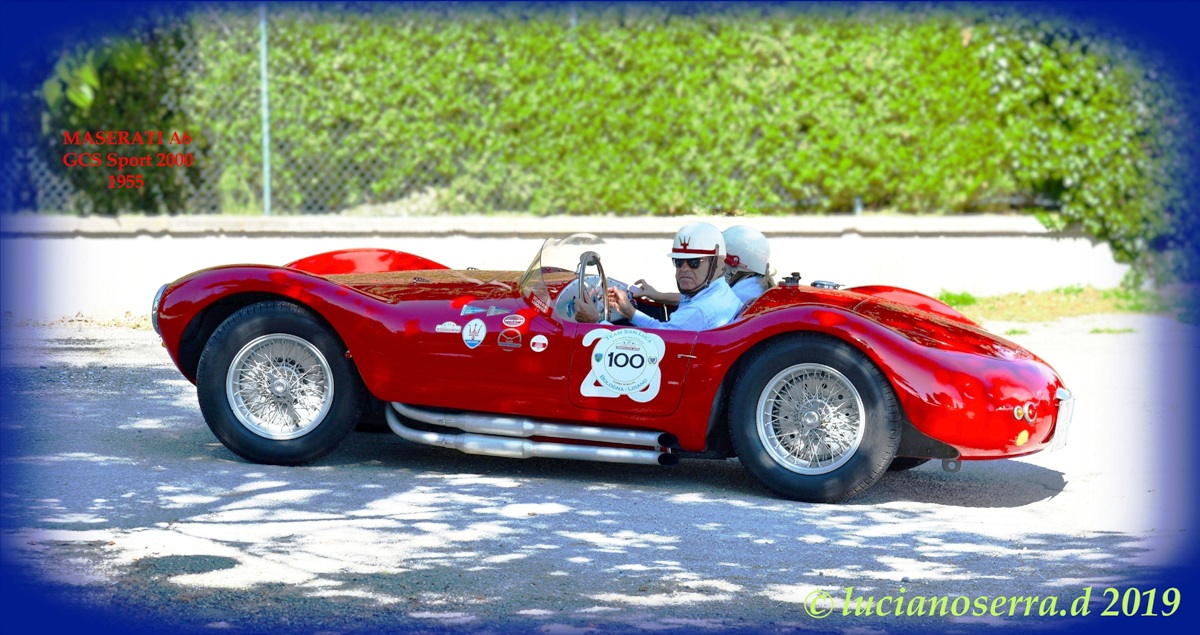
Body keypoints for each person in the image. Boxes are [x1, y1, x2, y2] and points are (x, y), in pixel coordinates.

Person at [575, 221, 742, 330]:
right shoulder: (718, 292)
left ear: (716, 264)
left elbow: (654, 342)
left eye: (694, 262)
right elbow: (671, 320)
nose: (684, 269)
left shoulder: (698, 313)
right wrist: (630, 312)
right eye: (678, 262)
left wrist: (594, 322)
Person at [631, 224, 774, 309]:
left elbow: (700, 304)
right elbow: (699, 298)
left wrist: (631, 312)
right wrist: (658, 296)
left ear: (735, 264)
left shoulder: (743, 293)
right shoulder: (753, 284)